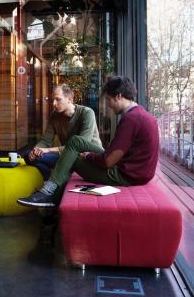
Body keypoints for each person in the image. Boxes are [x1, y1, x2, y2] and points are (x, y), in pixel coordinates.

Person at [18, 76, 159, 207]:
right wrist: (39, 150)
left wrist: (88, 156)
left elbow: (108, 161)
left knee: (72, 153)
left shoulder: (131, 119)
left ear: (119, 97)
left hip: (124, 176)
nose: (109, 105)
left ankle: (48, 194)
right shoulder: (141, 114)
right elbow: (114, 155)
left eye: (109, 100)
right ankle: (50, 189)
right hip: (136, 173)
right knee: (71, 145)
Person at [24, 84, 103, 181]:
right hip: (66, 157)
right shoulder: (55, 116)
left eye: (58, 99)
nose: (53, 103)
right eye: (52, 100)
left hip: (87, 158)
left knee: (39, 158)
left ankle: (55, 180)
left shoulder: (86, 113)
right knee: (28, 155)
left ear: (69, 99)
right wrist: (36, 151)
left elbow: (82, 145)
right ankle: (51, 178)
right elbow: (45, 140)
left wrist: (48, 150)